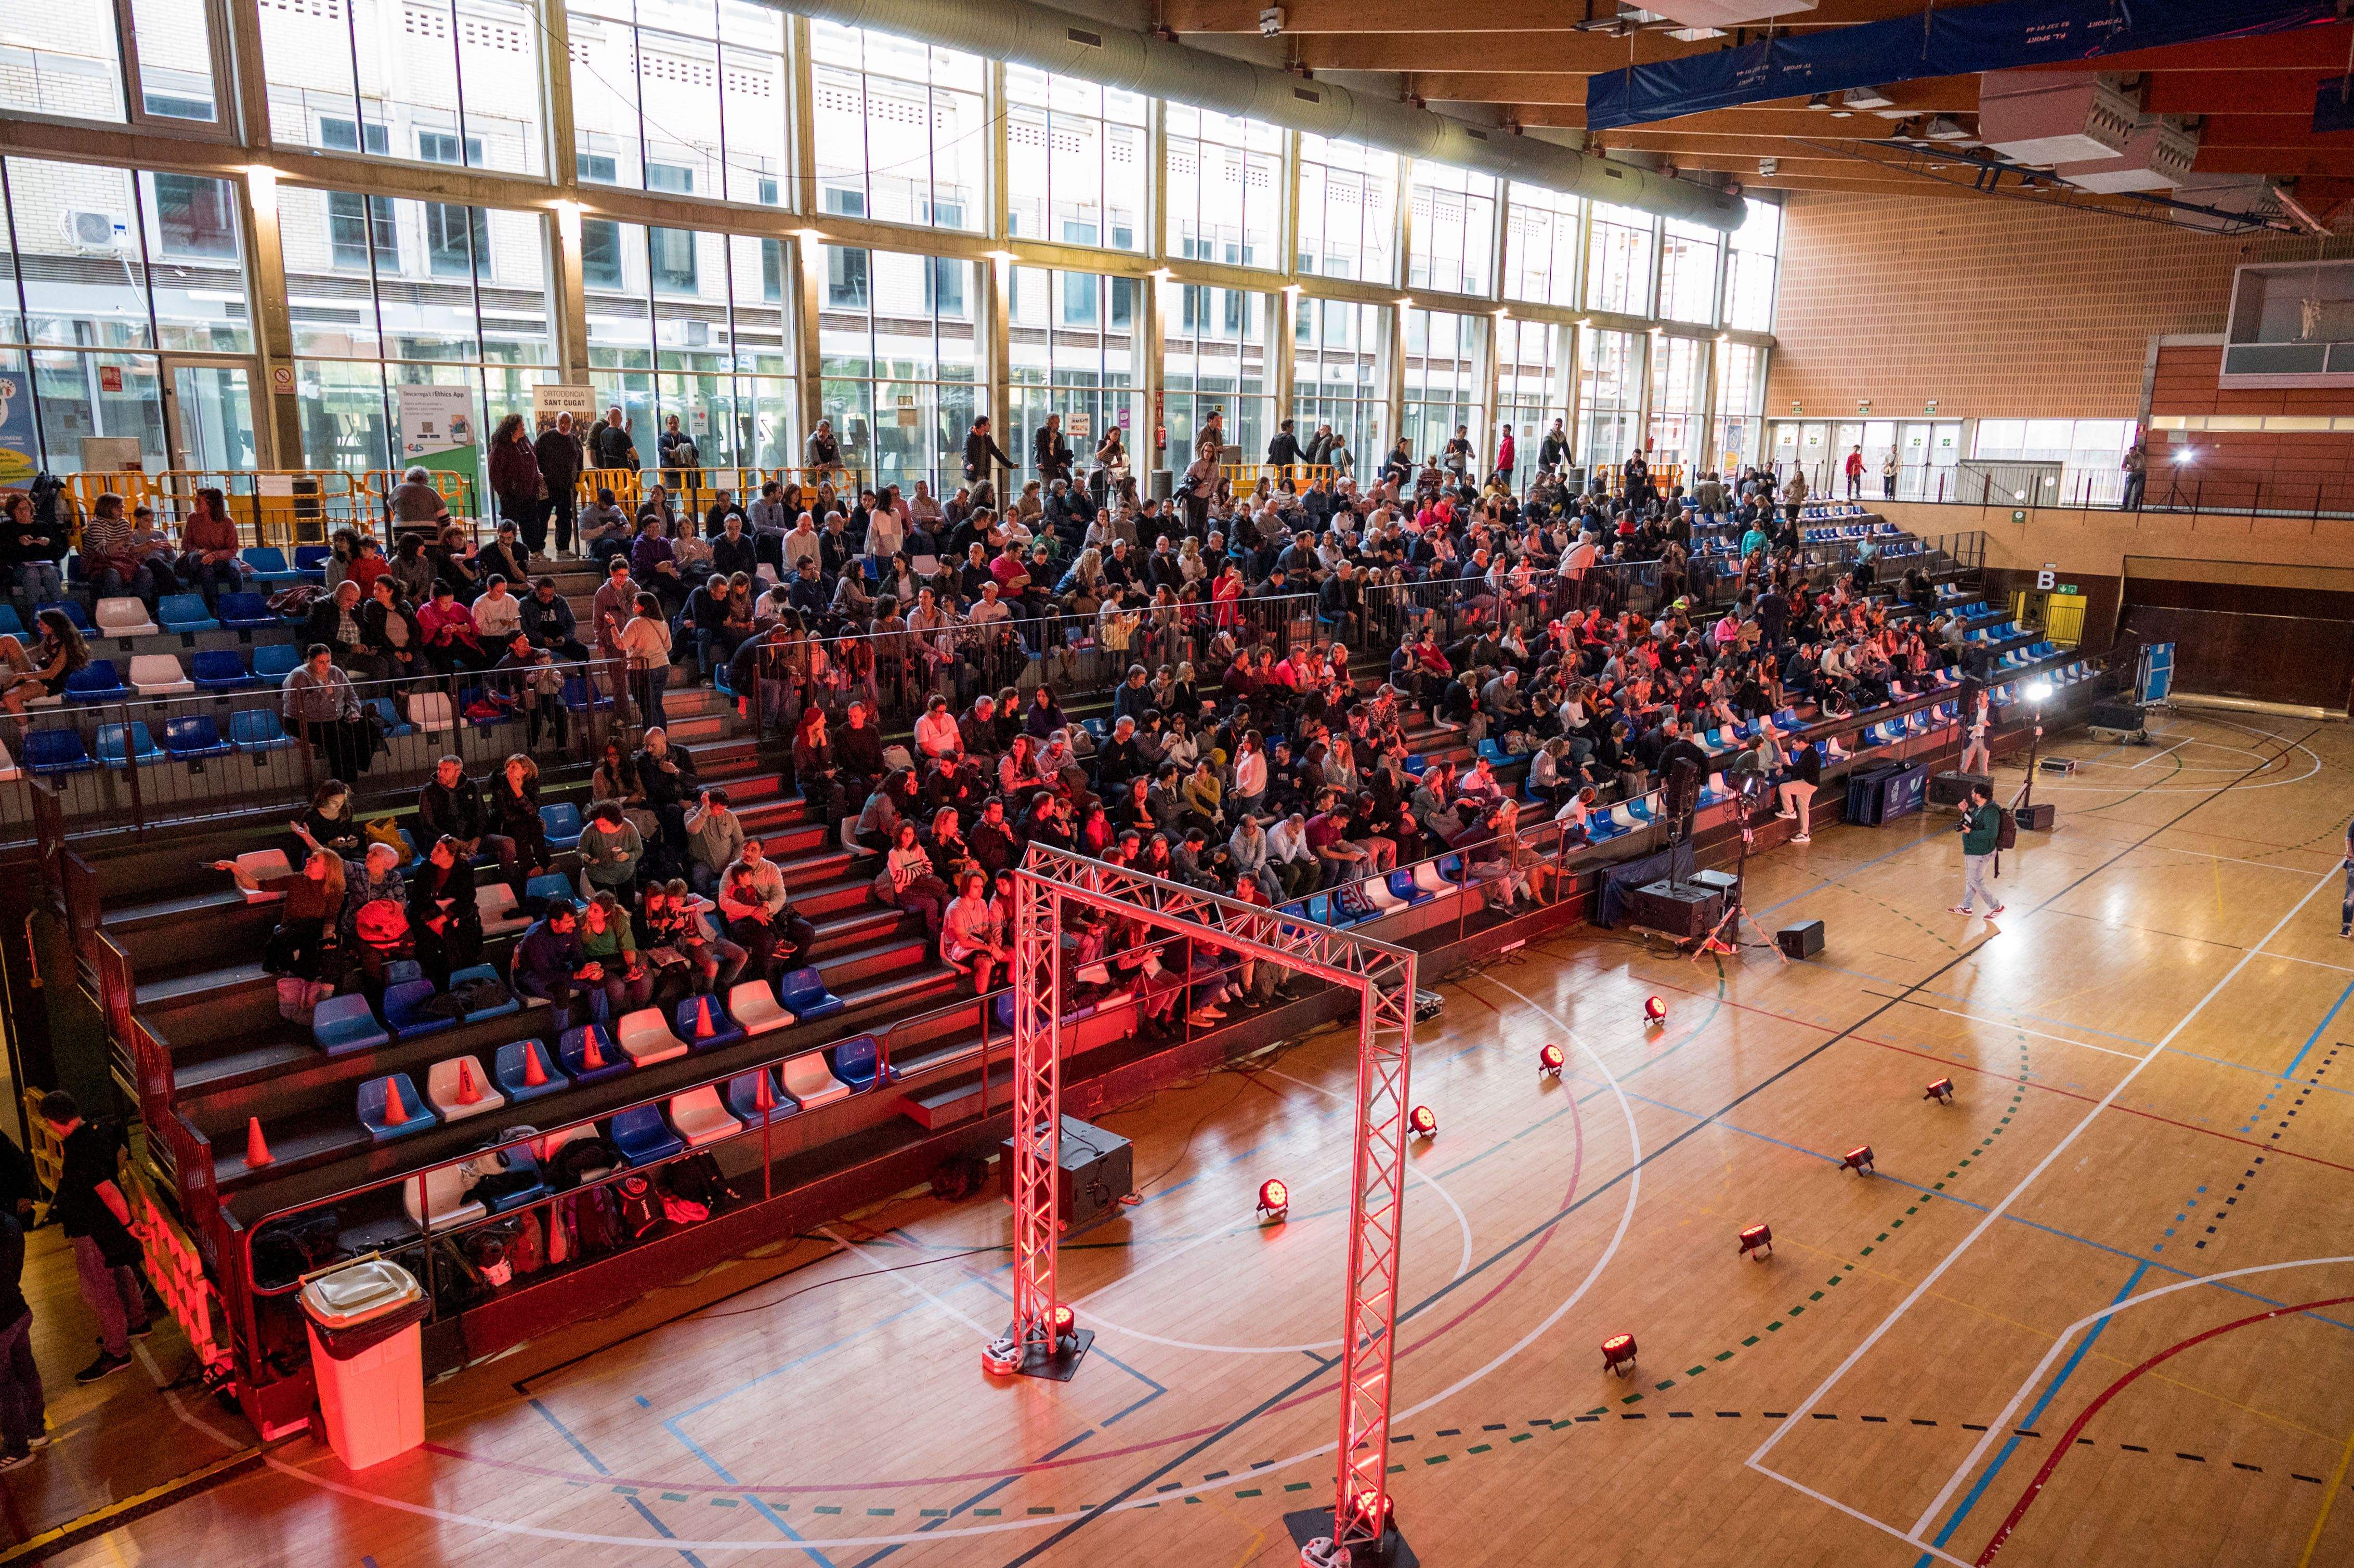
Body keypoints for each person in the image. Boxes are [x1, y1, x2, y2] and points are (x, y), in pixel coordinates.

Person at [35, 1091, 150, 1384]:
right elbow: (120, 1158)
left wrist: (129, 1222)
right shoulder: (99, 1131)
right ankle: (137, 1322)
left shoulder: (78, 1151)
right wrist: (124, 1221)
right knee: (121, 1271)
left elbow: (105, 1189)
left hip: (91, 1228)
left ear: (53, 1122)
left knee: (99, 1290)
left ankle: (117, 1351)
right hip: (108, 1224)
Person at [281, 644, 374, 779]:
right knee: (340, 739)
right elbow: (298, 706)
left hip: (334, 717)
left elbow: (351, 695)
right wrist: (323, 693)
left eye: (328, 661)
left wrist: (354, 712)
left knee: (366, 728)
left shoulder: (336, 672)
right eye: (321, 662)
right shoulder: (300, 675)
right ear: (310, 661)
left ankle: (354, 773)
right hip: (304, 721)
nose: (326, 666)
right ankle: (341, 783)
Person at [512, 899, 601, 1029]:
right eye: (568, 922)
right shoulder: (535, 938)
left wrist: (588, 971)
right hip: (531, 976)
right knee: (561, 992)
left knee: (595, 981)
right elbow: (546, 975)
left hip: (559, 969)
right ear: (554, 922)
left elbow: (577, 956)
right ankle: (562, 1037)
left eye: (573, 920)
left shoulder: (573, 927)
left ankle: (600, 1027)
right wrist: (576, 975)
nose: (574, 925)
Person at [0, 1201, 39, 1469]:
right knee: (26, 1371)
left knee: (5, 1387)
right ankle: (37, 1430)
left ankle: (16, 1447)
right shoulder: (9, 1223)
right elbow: (16, 1267)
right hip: (15, 1308)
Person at [0, 607, 87, 717]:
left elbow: (51, 674)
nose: (38, 626)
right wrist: (15, 656)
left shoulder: (66, 645)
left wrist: (21, 676)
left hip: (50, 682)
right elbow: (38, 652)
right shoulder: (51, 636)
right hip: (35, 670)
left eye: (42, 624)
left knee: (9, 698)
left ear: (53, 626)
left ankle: (26, 734)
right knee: (8, 640)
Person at [941, 869, 1009, 992]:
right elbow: (963, 942)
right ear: (966, 887)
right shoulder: (955, 909)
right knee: (985, 963)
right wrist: (990, 949)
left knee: (1013, 954)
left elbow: (986, 931)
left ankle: (1012, 997)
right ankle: (982, 1003)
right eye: (976, 887)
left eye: (982, 886)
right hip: (959, 949)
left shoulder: (982, 903)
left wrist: (993, 944)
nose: (981, 890)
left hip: (980, 942)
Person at [535, 409, 583, 556]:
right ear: (556, 422)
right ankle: (538, 549)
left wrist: (578, 483)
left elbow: (579, 463)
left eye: (567, 423)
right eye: (561, 422)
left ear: (571, 424)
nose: (564, 425)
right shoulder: (545, 438)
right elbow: (534, 458)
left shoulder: (574, 440)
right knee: (542, 517)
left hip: (567, 488)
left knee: (564, 518)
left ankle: (563, 548)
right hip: (548, 487)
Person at [1952, 782, 2004, 920]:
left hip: (1980, 852)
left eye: (1973, 793)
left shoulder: (1991, 812)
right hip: (1973, 850)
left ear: (1979, 795)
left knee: (1976, 880)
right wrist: (1965, 812)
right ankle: (1966, 906)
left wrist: (1970, 832)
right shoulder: (1979, 809)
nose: (1972, 795)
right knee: (1971, 879)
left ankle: (1996, 907)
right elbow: (1973, 822)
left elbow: (1991, 833)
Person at [387, 465, 452, 543]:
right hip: (429, 535)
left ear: (408, 478)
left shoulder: (397, 490)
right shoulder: (430, 491)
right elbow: (445, 517)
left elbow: (390, 506)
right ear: (425, 479)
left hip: (401, 534)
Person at [1775, 740, 1821, 844]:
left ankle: (1790, 811)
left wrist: (1782, 766)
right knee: (1803, 808)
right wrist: (1785, 770)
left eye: (1795, 744)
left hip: (1808, 784)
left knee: (1783, 788)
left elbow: (1798, 768)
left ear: (1802, 743)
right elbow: (1800, 770)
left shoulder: (1809, 755)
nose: (1793, 747)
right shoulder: (1809, 753)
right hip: (1811, 784)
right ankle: (1805, 834)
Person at [2120, 441, 2147, 511]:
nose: (2131, 454)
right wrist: (2127, 469)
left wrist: (2132, 469)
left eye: (2132, 453)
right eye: (2130, 453)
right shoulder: (2127, 457)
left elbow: (2140, 467)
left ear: (2136, 452)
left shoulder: (2141, 456)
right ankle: (2124, 505)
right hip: (2132, 473)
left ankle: (2134, 506)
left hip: (2140, 474)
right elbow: (2123, 467)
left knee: (2138, 491)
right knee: (2127, 490)